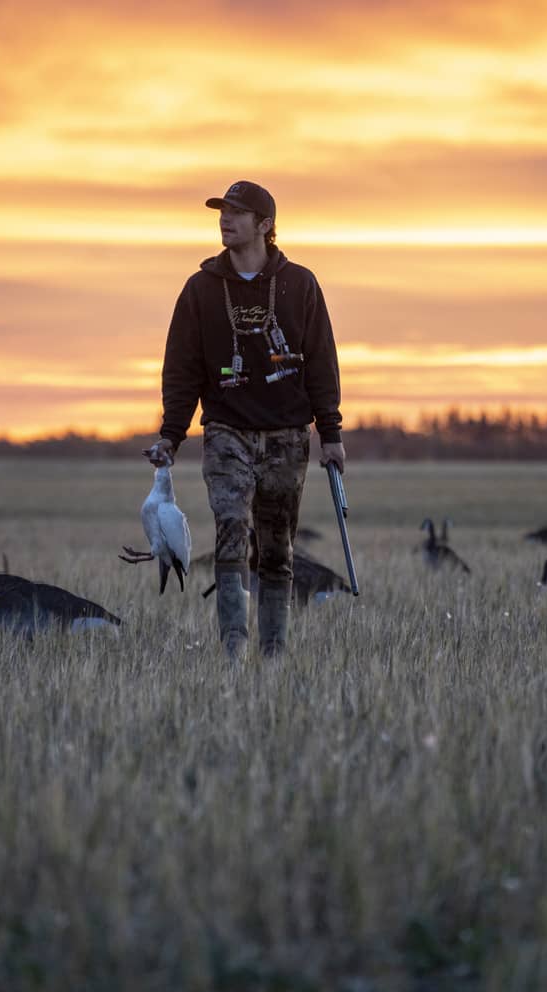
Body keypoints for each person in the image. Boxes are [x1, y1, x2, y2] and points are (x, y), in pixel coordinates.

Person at [146, 180, 344, 660]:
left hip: (287, 436)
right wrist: (172, 434)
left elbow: (321, 360)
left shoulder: (301, 284)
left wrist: (331, 433)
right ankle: (233, 649)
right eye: (222, 211)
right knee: (231, 531)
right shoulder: (200, 290)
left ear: (266, 225)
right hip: (226, 433)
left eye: (237, 212)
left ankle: (274, 654)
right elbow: (182, 369)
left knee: (277, 549)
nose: (225, 219)